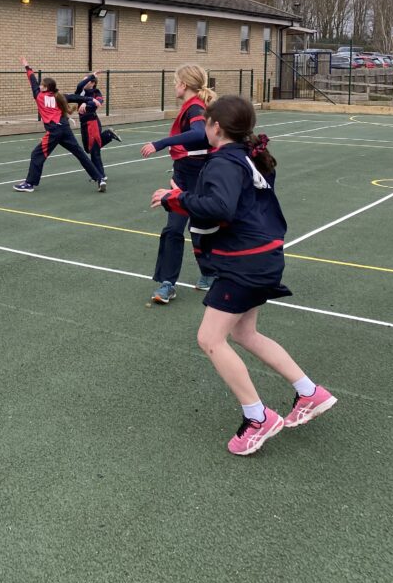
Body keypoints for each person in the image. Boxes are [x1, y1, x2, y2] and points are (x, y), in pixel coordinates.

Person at [150, 95, 337, 456]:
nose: (202, 128)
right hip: (263, 257)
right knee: (245, 332)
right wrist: (186, 195)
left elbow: (220, 207)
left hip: (244, 263)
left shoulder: (225, 163)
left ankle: (258, 417)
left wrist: (177, 198)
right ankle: (310, 393)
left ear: (215, 128)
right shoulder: (248, 157)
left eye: (205, 123)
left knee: (210, 338)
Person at [140, 64, 217, 304]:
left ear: (183, 85)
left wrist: (160, 143)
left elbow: (198, 134)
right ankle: (167, 283)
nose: (174, 86)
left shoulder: (195, 106)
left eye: (175, 82)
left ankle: (209, 272)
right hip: (184, 173)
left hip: (198, 175)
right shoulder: (193, 106)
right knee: (173, 229)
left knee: (200, 227)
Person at [14, 56, 105, 193]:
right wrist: (92, 100)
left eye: (42, 85)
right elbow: (77, 97)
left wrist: (27, 67)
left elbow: (32, 80)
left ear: (45, 88)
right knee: (80, 154)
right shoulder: (59, 96)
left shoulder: (38, 95)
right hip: (65, 129)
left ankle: (29, 184)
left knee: (36, 154)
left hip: (54, 131)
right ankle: (100, 178)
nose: (39, 86)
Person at [65, 71, 121, 183]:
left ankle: (100, 175)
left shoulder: (96, 93)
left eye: (87, 80)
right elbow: (80, 86)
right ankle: (108, 135)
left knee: (94, 150)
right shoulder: (80, 92)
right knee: (88, 149)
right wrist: (91, 77)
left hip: (92, 122)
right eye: (84, 79)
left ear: (92, 83)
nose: (84, 82)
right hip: (84, 123)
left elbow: (99, 102)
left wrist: (88, 103)